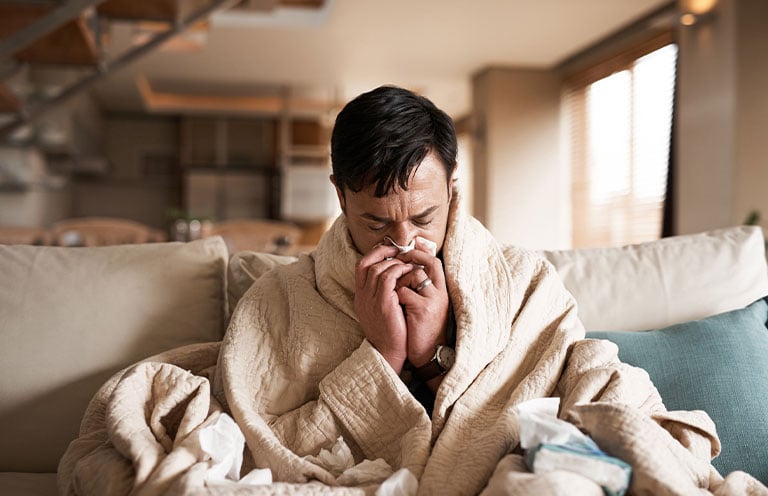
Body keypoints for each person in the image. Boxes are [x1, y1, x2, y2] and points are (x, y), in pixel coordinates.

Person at [60, 86, 765, 495]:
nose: (403, 242)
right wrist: (381, 357)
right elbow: (264, 448)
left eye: (423, 217)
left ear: (453, 189)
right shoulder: (277, 303)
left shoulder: (523, 283)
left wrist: (433, 358)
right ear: (338, 195)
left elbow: (556, 395)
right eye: (375, 222)